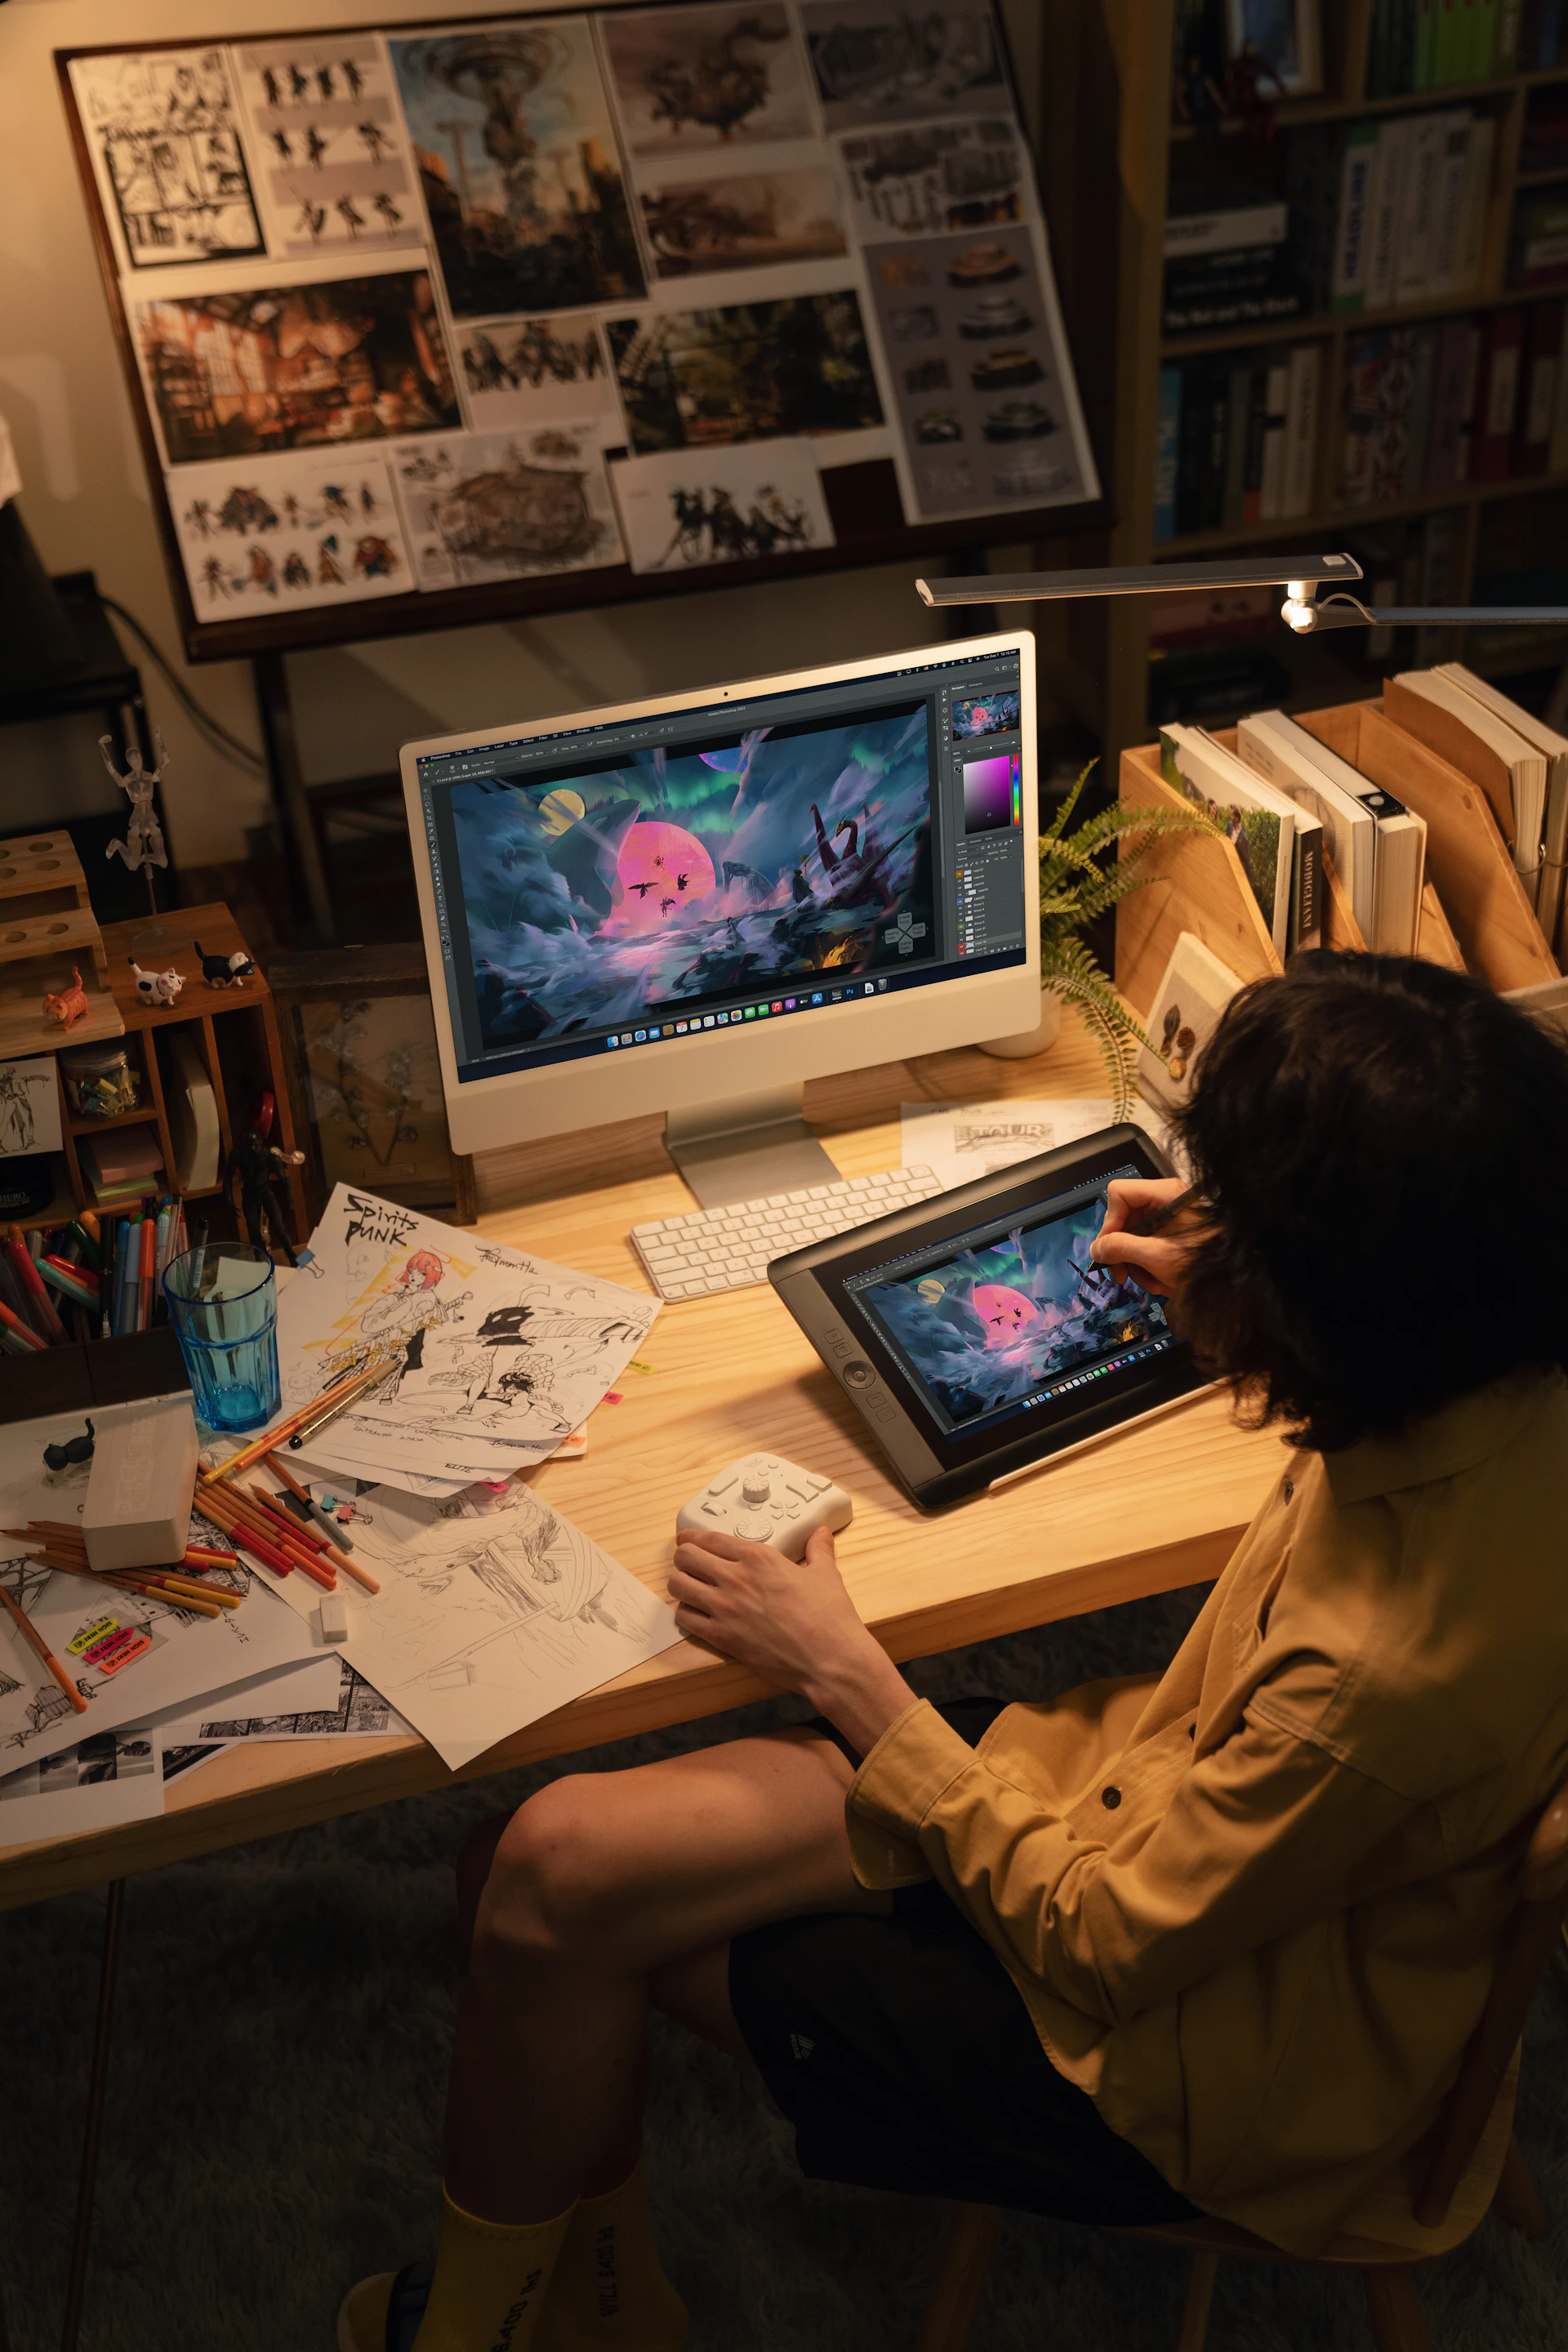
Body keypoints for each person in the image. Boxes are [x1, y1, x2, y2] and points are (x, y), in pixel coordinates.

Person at [339, 953, 1568, 2352]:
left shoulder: (1373, 1684)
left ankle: (534, 2327)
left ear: (1339, 1307)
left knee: (543, 1903)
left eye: (1243, 1218)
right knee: (527, 1858)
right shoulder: (1497, 1359)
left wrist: (853, 1679)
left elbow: (1106, 1946)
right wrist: (1234, 1277)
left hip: (1161, 2060)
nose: (1195, 1212)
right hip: (1137, 1799)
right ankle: (582, 2302)